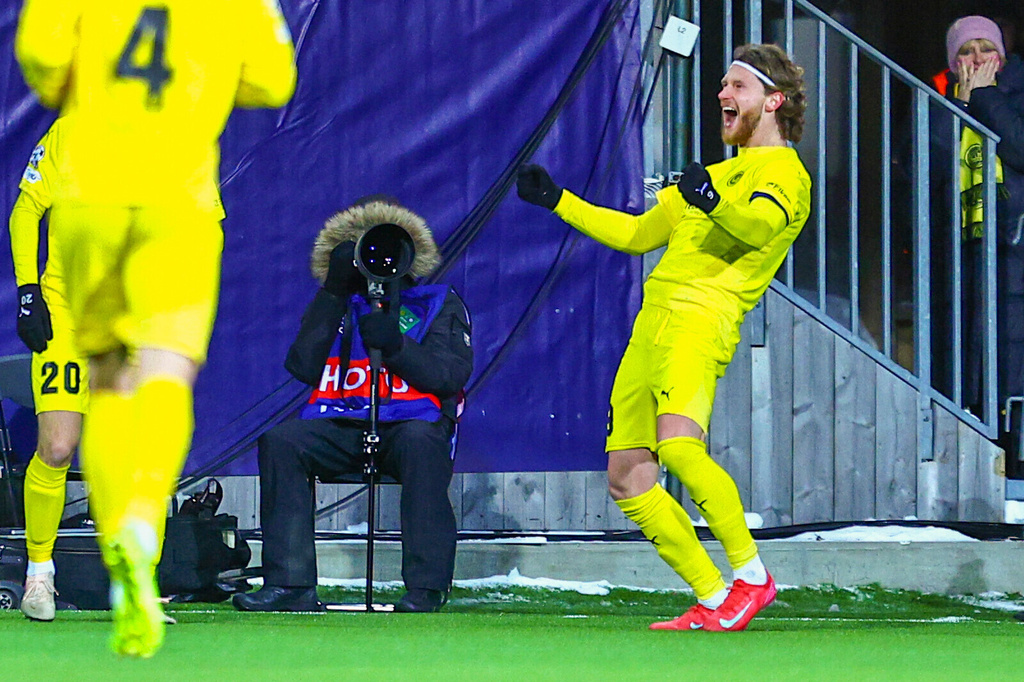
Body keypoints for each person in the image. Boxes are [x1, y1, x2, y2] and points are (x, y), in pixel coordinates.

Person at [15, 0, 296, 657]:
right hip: (179, 203)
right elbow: (274, 80)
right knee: (159, 383)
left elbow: (42, 59)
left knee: (115, 389)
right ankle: (92, 549)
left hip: (96, 201)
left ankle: (126, 550)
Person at [517, 44, 810, 632]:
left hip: (702, 318)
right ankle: (710, 595)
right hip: (651, 323)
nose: (723, 95)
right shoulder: (711, 175)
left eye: (737, 87)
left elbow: (755, 228)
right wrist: (558, 201)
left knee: (678, 448)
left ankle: (753, 577)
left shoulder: (784, 173)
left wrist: (711, 199)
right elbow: (637, 234)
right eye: (723, 85)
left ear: (774, 101)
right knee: (627, 474)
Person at [233, 198, 473, 614]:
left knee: (420, 443)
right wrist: (333, 291)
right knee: (282, 440)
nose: (376, 263)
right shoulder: (339, 302)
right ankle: (291, 585)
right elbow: (303, 366)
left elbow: (448, 376)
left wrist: (396, 345)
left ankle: (425, 588)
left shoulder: (437, 302)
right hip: (342, 421)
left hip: (412, 425)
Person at [928, 16, 1024, 463]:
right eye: (966, 51)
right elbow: (929, 168)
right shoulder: (941, 103)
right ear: (953, 62)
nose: (977, 59)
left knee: (1011, 351)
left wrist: (985, 99)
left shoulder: (1017, 96)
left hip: (1013, 246)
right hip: (963, 247)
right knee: (965, 351)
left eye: (987, 49)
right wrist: (961, 107)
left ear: (1002, 57)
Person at [7, 117, 88, 622]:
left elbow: (204, 226)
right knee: (57, 446)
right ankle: (39, 573)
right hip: (68, 315)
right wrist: (28, 291)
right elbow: (25, 211)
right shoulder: (69, 132)